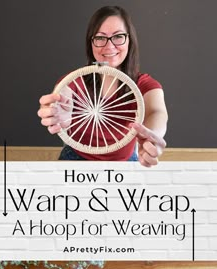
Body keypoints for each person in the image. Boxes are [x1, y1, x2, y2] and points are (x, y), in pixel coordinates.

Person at [37, 5, 168, 166]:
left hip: (126, 162)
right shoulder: (73, 80)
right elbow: (61, 98)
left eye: (118, 36)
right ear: (91, 43)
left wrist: (151, 138)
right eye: (100, 38)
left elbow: (157, 112)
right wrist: (57, 112)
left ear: (130, 40)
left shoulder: (144, 84)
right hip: (75, 159)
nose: (109, 45)